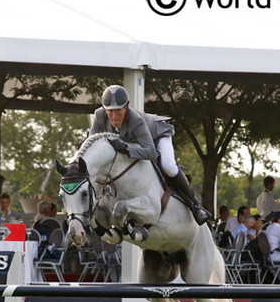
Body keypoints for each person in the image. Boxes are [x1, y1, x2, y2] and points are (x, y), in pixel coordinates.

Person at [89, 84, 211, 225]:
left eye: (118, 111)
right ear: (104, 110)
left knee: (168, 165)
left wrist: (126, 149)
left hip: (158, 136)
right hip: (138, 142)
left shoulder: (136, 120)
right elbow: (92, 143)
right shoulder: (99, 116)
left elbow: (152, 152)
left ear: (126, 107)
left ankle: (195, 206)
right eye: (110, 112)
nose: (114, 117)